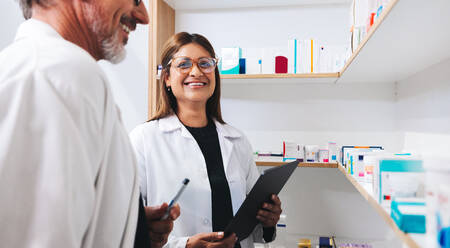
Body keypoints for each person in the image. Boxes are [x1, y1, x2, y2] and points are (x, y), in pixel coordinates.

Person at [0, 0, 179, 247]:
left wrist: (130, 226)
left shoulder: (52, 70)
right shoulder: (55, 73)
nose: (143, 16)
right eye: (137, 0)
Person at [129, 32, 282, 248]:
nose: (196, 71)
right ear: (167, 78)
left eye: (205, 63)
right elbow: (128, 226)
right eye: (183, 64)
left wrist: (267, 220)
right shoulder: (143, 140)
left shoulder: (237, 141)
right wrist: (185, 246)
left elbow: (250, 223)